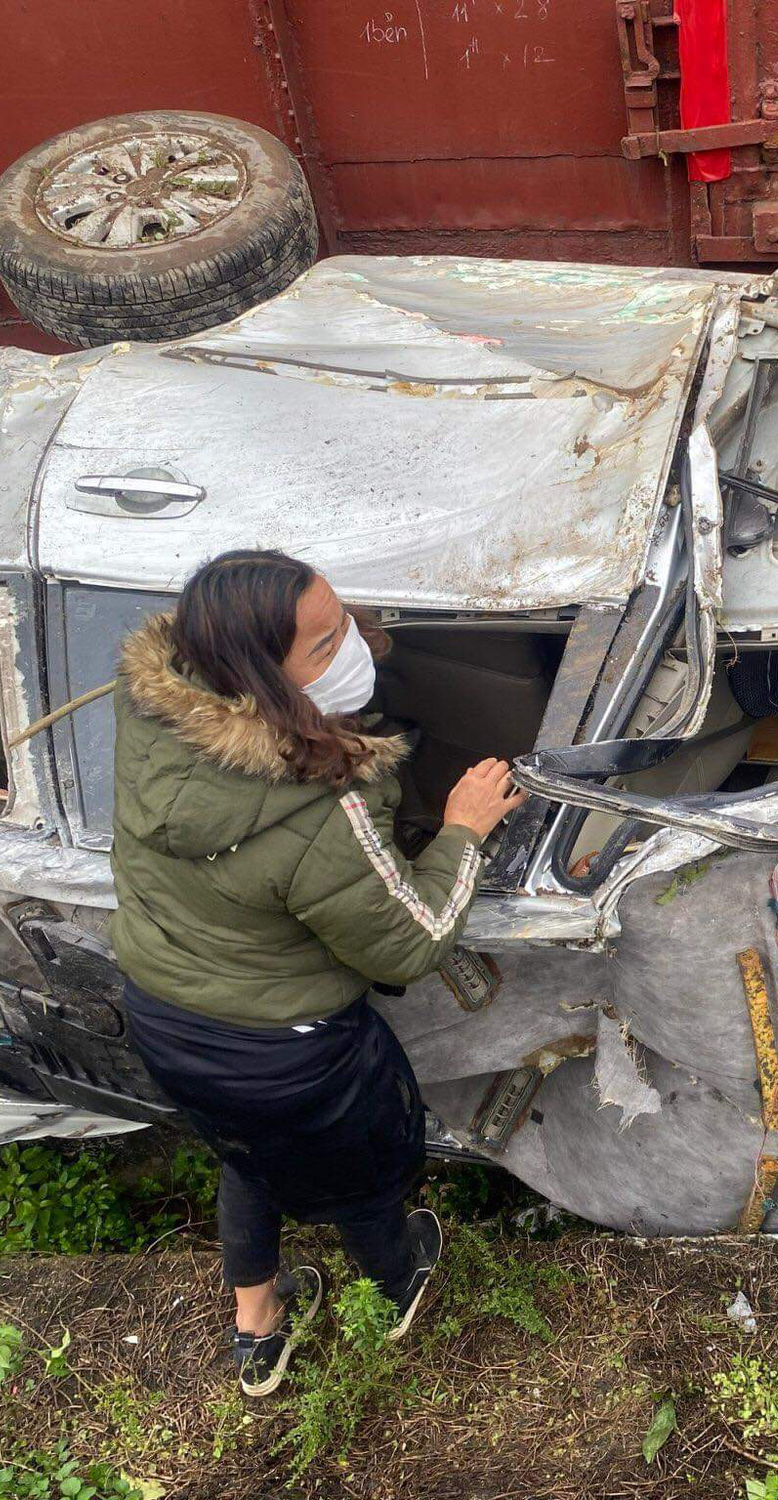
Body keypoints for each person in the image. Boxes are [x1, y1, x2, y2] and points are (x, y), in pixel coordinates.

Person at [107, 548, 524, 1396]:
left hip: (162, 1015)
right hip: (289, 1055)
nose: (359, 649)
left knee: (250, 1156)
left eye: (346, 623)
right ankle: (396, 1284)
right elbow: (411, 942)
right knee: (365, 1178)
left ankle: (257, 1328)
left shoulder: (153, 713)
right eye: (328, 645)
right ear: (260, 675)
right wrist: (463, 831)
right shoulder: (323, 808)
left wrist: (332, 645)